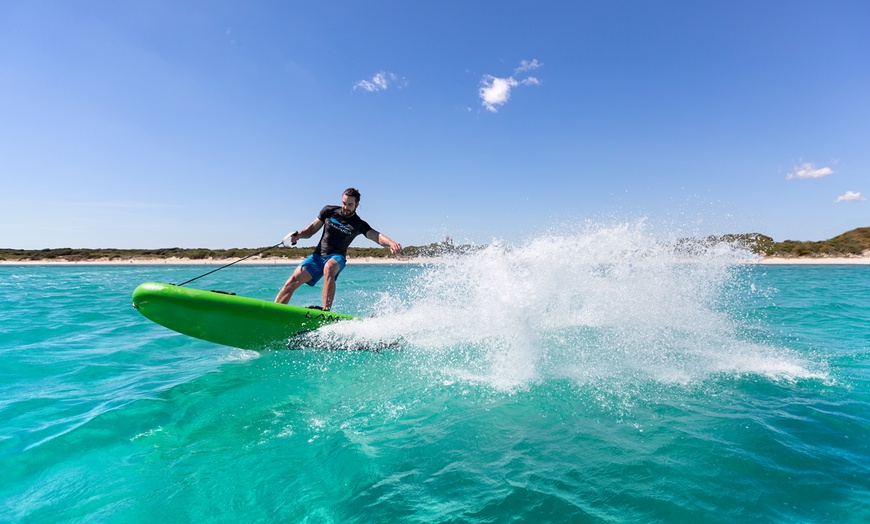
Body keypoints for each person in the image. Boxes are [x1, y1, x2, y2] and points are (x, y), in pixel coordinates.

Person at [274, 188, 402, 310]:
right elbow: (311, 230)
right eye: (344, 203)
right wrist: (299, 235)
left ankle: (325, 312)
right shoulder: (329, 211)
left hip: (337, 258)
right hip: (317, 256)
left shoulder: (358, 224)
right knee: (292, 281)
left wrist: (391, 243)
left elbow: (376, 236)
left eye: (350, 204)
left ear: (357, 205)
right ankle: (273, 312)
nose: (345, 207)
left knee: (329, 267)